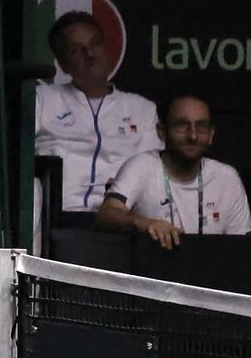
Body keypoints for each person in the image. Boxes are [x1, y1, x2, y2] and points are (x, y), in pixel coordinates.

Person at [35, 11, 159, 214]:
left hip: (118, 218)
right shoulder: (44, 98)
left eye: (95, 44)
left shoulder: (142, 109)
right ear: (63, 64)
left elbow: (150, 172)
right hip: (51, 215)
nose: (90, 54)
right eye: (76, 50)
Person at [95, 93, 251, 246]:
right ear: (161, 131)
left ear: (211, 134)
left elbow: (244, 247)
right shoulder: (141, 166)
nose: (193, 135)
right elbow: (105, 216)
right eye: (182, 125)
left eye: (201, 127)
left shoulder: (227, 178)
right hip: (152, 268)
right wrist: (146, 224)